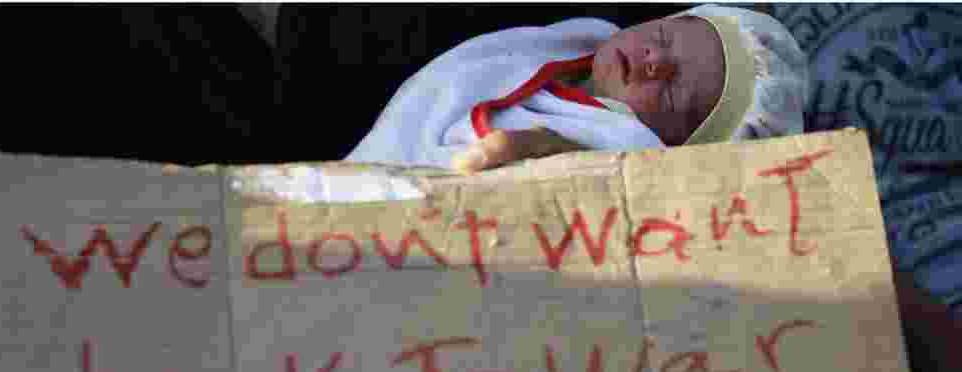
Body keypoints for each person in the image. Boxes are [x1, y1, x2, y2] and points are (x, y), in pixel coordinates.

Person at [345, 4, 809, 173]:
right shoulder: (565, 43)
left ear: (674, 148)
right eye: (665, 38)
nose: (654, 61)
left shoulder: (610, 150)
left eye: (671, 92)